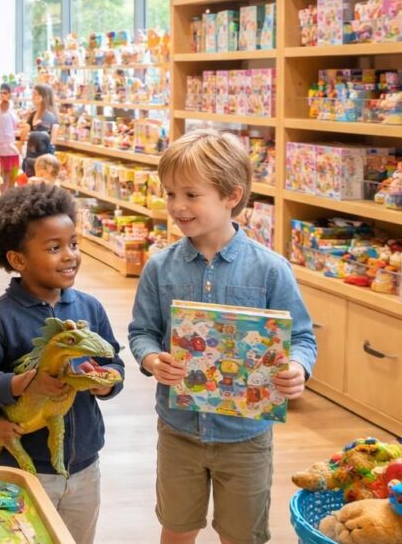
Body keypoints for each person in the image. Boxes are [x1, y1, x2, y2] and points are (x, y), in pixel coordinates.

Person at [128, 129, 317, 544]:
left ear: (232, 196)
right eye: (171, 193)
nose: (177, 206)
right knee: (177, 527)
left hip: (245, 437)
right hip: (179, 430)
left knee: (242, 533)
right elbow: (141, 331)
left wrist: (297, 367)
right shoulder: (160, 268)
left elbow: (302, 337)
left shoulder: (270, 270)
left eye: (191, 195)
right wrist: (151, 359)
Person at [0, 184, 124, 544]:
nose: (70, 256)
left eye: (74, 244)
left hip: (84, 465)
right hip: (22, 470)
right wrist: (22, 384)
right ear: (18, 260)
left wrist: (105, 382)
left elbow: (113, 360)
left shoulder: (90, 309)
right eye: (54, 248)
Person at [0, 84, 22, 188]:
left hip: (12, 147)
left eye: (4, 92)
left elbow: (16, 126)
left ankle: (12, 192)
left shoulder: (13, 112)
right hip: (1, 146)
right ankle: (2, 195)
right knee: (1, 172)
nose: (2, 95)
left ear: (9, 94)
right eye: (0, 92)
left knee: (14, 172)